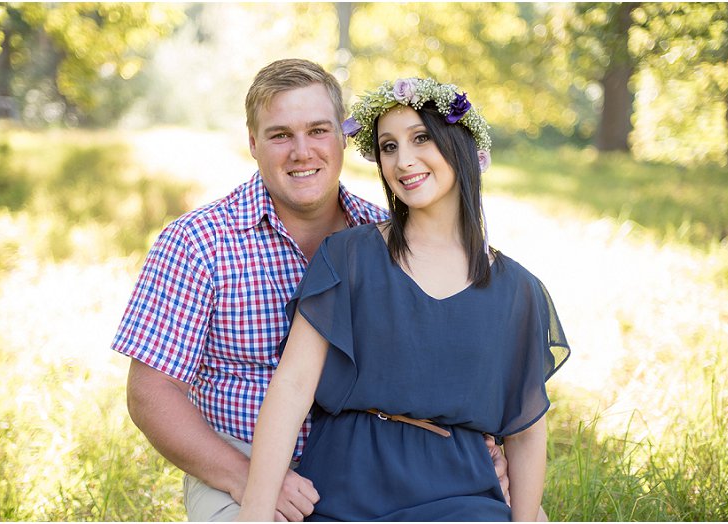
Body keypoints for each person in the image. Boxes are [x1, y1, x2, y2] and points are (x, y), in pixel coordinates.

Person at [111, 60, 512, 522]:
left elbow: (455, 361)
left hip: (375, 463)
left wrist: (479, 450)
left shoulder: (388, 238)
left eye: (318, 130)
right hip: (240, 465)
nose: (302, 152)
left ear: (343, 137)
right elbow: (151, 393)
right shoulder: (199, 242)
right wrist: (247, 476)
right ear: (253, 142)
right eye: (281, 135)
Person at [237, 78, 570, 521]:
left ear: (462, 145)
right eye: (389, 146)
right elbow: (292, 387)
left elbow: (526, 431)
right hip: (346, 486)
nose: (403, 161)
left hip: (461, 493)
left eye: (421, 138)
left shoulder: (518, 291)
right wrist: (253, 515)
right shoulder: (349, 256)